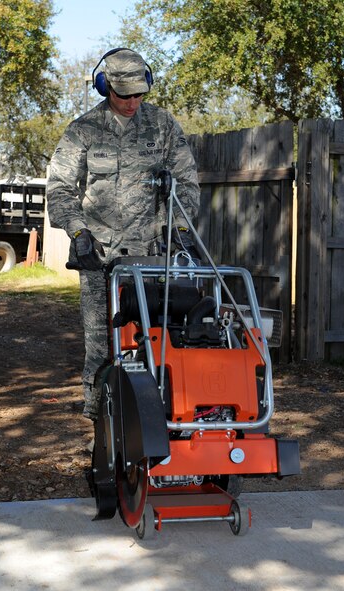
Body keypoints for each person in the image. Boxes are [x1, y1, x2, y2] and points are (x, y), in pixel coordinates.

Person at [46, 48, 200, 449]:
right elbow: (60, 189)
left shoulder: (163, 126)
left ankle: (162, 425)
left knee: (160, 341)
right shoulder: (82, 130)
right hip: (99, 259)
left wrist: (177, 227)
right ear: (104, 86)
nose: (132, 103)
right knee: (101, 347)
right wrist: (78, 231)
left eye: (139, 94)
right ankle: (102, 436)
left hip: (151, 258)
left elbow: (186, 183)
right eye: (123, 95)